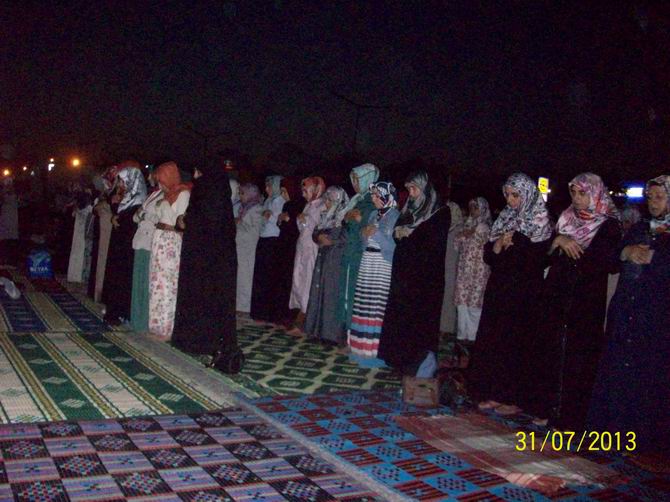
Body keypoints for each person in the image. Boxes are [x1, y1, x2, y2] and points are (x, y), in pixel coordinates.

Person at [588, 174, 670, 461]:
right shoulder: (640, 228)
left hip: (656, 318)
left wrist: (655, 259)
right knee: (618, 375)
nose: (654, 202)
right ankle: (614, 434)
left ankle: (645, 442)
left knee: (649, 379)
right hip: (626, 313)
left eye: (660, 197)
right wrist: (626, 251)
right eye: (651, 197)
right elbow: (611, 259)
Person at [531, 173, 621, 428]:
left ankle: (571, 416)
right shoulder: (566, 218)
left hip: (585, 300)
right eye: (574, 193)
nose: (577, 198)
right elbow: (545, 257)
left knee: (578, 358)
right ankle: (549, 407)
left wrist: (574, 248)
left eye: (583, 193)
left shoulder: (608, 225)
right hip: (557, 295)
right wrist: (558, 240)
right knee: (552, 352)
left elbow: (607, 263)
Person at [468, 173, 552, 415]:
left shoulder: (540, 220)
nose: (510, 200)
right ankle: (495, 392)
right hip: (500, 289)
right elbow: (489, 255)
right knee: (496, 340)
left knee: (517, 343)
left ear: (527, 194)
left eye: (515, 195)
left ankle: (514, 397)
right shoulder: (505, 217)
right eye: (507, 194)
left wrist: (518, 242)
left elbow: (540, 258)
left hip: (524, 294)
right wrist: (498, 245)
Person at [378, 170, 451, 377]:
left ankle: (419, 365)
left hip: (425, 279)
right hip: (403, 276)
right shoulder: (408, 210)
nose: (411, 193)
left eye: (414, 188)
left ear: (425, 189)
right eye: (409, 189)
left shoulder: (440, 212)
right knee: (401, 318)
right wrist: (401, 234)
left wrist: (409, 235)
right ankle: (399, 361)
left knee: (419, 322)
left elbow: (431, 244)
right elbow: (397, 233)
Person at [171, 161, 240, 372]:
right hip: (218, 261)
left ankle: (202, 342)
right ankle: (211, 343)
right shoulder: (219, 194)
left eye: (198, 172)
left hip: (204, 262)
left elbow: (201, 223)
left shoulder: (207, 192)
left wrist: (186, 221)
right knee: (214, 301)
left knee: (203, 299)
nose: (195, 177)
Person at [348, 182, 400, 366]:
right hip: (367, 261)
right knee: (364, 304)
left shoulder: (396, 217)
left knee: (377, 307)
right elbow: (364, 239)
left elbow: (395, 247)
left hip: (382, 264)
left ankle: (374, 352)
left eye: (378, 195)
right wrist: (365, 233)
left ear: (387, 197)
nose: (374, 199)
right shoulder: (372, 214)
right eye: (373, 195)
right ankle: (360, 349)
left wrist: (376, 234)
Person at [148, 162, 191, 340]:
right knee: (156, 281)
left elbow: (178, 221)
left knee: (168, 283)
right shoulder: (165, 195)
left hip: (171, 242)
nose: (160, 185)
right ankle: (156, 323)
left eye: (162, 181)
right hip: (160, 239)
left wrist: (165, 203)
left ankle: (167, 326)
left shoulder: (183, 194)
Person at [102, 161, 147, 325]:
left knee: (124, 277)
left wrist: (118, 218)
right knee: (116, 276)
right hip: (119, 243)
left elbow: (132, 221)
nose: (120, 184)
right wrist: (116, 214)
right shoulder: (126, 198)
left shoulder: (139, 199)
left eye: (123, 181)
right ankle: (115, 310)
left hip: (128, 246)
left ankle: (123, 312)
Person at [337, 163, 380, 333]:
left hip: (360, 253)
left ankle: (352, 331)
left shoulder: (373, 201)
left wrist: (358, 219)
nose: (354, 184)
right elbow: (343, 222)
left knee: (355, 292)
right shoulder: (356, 200)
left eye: (358, 180)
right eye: (353, 180)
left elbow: (371, 227)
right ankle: (343, 329)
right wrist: (348, 217)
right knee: (345, 290)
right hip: (348, 251)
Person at [304, 186, 350, 345]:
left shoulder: (345, 217)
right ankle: (317, 330)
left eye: (330, 200)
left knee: (331, 294)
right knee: (319, 292)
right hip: (323, 257)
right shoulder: (325, 215)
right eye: (326, 200)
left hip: (336, 260)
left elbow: (347, 238)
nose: (327, 204)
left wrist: (332, 241)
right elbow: (315, 232)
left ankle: (331, 334)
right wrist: (318, 237)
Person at [287, 176, 326, 334]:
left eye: (306, 191)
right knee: (298, 279)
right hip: (302, 246)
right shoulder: (308, 205)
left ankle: (304, 318)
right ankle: (300, 313)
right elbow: (302, 227)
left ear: (315, 190)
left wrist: (306, 220)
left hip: (311, 248)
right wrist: (301, 220)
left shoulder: (322, 205)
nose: (303, 194)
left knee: (307, 281)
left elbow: (318, 226)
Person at [454, 197, 492, 343]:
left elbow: (480, 240)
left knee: (474, 303)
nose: (473, 211)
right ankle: (461, 336)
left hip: (479, 270)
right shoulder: (468, 224)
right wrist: (465, 233)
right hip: (464, 268)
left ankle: (472, 337)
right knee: (462, 302)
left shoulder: (485, 226)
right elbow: (457, 242)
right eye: (471, 207)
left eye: (476, 207)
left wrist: (469, 233)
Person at [250, 175, 286, 322]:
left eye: (269, 186)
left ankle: (267, 312)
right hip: (264, 238)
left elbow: (279, 221)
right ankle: (258, 311)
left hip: (273, 240)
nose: (267, 189)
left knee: (268, 277)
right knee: (260, 276)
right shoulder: (268, 200)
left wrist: (270, 216)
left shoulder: (281, 201)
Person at [129, 170, 161, 332]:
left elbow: (157, 218)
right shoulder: (152, 194)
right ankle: (137, 318)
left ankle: (144, 320)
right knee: (139, 279)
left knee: (146, 280)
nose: (149, 178)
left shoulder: (164, 195)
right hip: (141, 239)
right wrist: (143, 215)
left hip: (150, 240)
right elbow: (136, 216)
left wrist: (143, 215)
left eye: (151, 174)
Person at [274, 176, 305, 325]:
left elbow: (299, 227)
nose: (283, 195)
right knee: (281, 279)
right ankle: (280, 312)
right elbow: (282, 225)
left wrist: (289, 220)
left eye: (285, 191)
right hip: (283, 246)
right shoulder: (287, 205)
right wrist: (281, 220)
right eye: (281, 191)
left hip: (294, 246)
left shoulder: (301, 204)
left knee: (291, 279)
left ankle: (290, 314)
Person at [88, 167, 116, 302]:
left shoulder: (114, 194)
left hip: (108, 229)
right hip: (101, 228)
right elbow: (96, 208)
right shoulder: (104, 194)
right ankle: (96, 290)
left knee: (104, 258)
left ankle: (101, 292)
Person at [235, 183, 264, 315]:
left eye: (243, 193)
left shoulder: (257, 209)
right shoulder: (243, 208)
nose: (240, 196)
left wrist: (239, 224)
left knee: (246, 277)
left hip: (249, 248)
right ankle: (239, 304)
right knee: (240, 276)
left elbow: (255, 230)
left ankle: (245, 306)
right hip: (240, 247)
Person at [440, 201, 463, 334]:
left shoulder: (460, 229)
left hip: (453, 268)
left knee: (449, 296)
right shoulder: (444, 227)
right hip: (442, 266)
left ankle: (447, 328)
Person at [66, 189, 94, 283]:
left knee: (76, 254)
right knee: (82, 255)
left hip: (79, 235)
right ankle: (79, 276)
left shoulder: (79, 209)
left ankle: (74, 275)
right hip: (83, 235)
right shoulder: (89, 209)